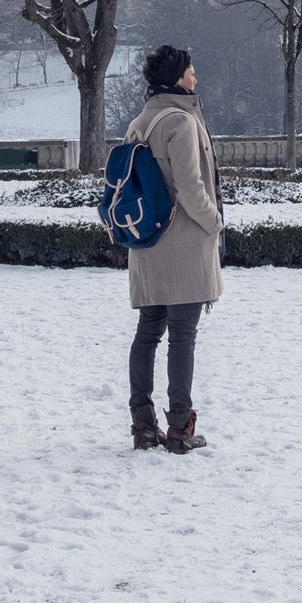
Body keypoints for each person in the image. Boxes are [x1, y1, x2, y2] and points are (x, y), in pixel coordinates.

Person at [125, 44, 224, 454]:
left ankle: (143, 424)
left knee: (148, 332)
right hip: (182, 243)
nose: (195, 77)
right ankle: (181, 427)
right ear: (177, 77)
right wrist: (215, 222)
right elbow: (190, 187)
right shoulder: (181, 123)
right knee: (183, 336)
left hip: (147, 243)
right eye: (191, 71)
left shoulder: (140, 122)